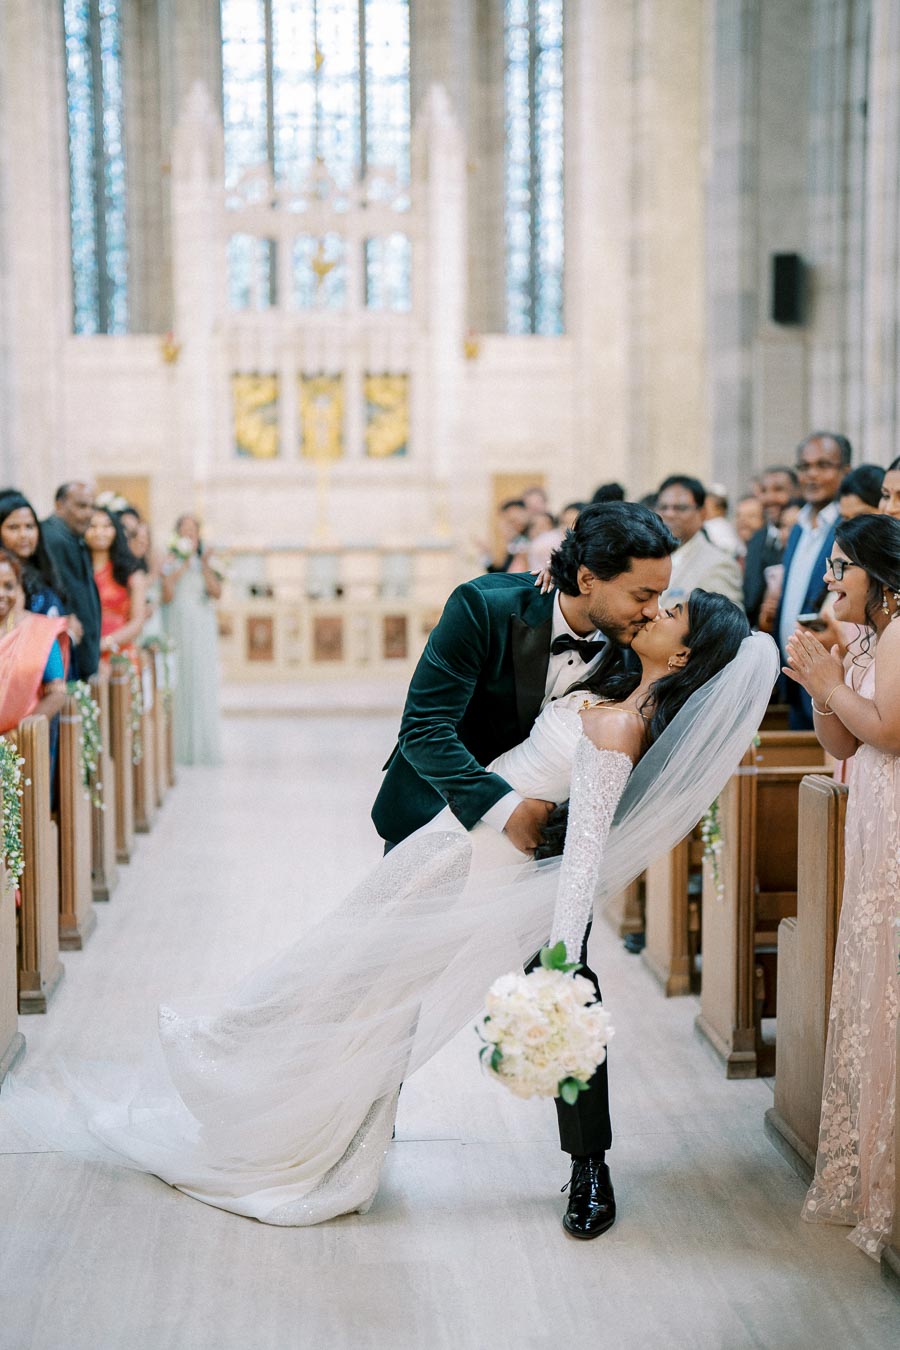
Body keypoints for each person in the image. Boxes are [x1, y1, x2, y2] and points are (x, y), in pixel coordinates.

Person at [1, 579, 778, 1232]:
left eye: (667, 607)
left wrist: (562, 961)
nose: (650, 606)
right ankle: (321, 1120)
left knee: (382, 979)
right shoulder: (588, 657)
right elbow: (450, 718)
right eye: (648, 591)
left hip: (493, 865)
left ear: (681, 657)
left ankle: (587, 1169)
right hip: (447, 831)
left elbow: (584, 853)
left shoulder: (618, 725)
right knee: (356, 975)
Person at [783, 513, 900, 1259]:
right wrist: (823, 688)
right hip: (872, 816)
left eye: (840, 568)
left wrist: (832, 682)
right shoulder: (864, 637)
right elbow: (844, 741)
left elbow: (890, 730)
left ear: (880, 576)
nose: (830, 581)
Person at [775, 433, 851, 728]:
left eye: (823, 465)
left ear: (845, 470)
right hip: (795, 676)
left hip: (829, 674)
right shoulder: (798, 527)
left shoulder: (847, 527)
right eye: (805, 467)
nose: (812, 475)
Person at [161, 514, 223, 766]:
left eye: (193, 531)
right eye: (184, 531)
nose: (189, 536)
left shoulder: (207, 560)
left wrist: (204, 564)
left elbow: (216, 592)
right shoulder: (169, 560)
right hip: (177, 622)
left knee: (201, 679)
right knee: (181, 678)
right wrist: (182, 564)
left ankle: (202, 746)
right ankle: (178, 747)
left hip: (202, 624)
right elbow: (166, 595)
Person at [0, 491, 83, 652]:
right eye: (13, 527)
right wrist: (62, 630)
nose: (24, 535)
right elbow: (14, 632)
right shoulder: (7, 580)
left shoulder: (42, 567)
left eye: (29, 527)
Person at [0, 550, 68, 734]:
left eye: (8, 586)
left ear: (19, 588)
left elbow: (57, 693)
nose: (2, 594)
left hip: (21, 749)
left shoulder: (39, 631)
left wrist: (18, 736)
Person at [41, 481, 102, 680]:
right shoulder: (53, 538)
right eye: (81, 506)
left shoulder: (71, 537)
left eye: (92, 507)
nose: (88, 513)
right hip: (66, 654)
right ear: (59, 505)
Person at [655, 475, 744, 607]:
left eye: (680, 508)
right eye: (663, 507)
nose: (669, 514)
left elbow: (727, 624)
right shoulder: (653, 556)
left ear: (702, 513)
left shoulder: (719, 565)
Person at [84, 506, 148, 665]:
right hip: (85, 653)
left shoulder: (131, 573)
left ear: (116, 530)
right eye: (93, 526)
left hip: (120, 654)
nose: (99, 532)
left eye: (106, 526)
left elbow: (137, 623)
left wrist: (104, 644)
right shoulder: (77, 571)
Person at [485, 498, 530, 573]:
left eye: (513, 520)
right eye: (508, 521)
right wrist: (486, 553)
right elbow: (500, 573)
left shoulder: (526, 543)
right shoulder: (514, 544)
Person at [703, 484, 743, 557]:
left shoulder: (718, 524)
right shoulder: (708, 524)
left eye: (707, 506)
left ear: (720, 510)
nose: (703, 510)